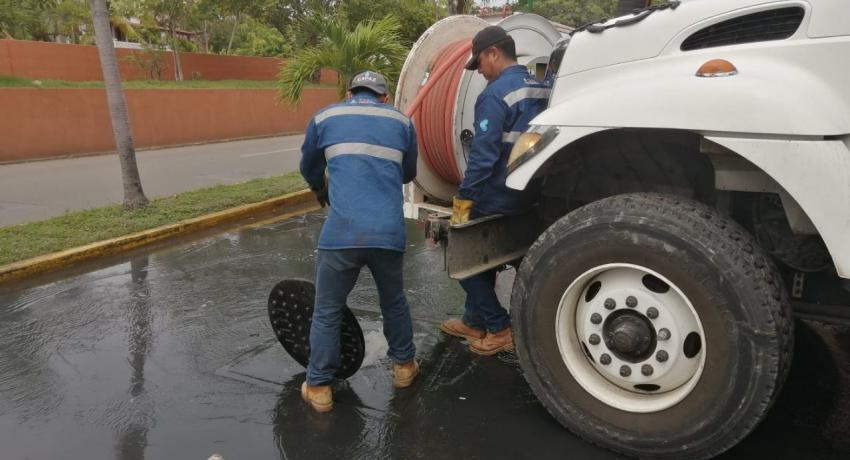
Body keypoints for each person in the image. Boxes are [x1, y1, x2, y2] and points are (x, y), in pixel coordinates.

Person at [299, 70, 420, 413]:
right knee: (393, 301)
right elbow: (408, 173)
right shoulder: (403, 123)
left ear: (350, 92)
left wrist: (322, 187)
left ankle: (319, 387)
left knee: (327, 310)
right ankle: (404, 368)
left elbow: (308, 167)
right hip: (387, 233)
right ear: (384, 96)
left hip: (341, 234)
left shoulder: (324, 117)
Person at [440, 26, 550, 355]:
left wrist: (465, 199)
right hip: (532, 193)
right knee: (493, 258)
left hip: (498, 194)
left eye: (481, 63)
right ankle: (474, 321)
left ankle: (499, 328)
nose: (481, 72)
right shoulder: (541, 87)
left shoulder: (494, 94)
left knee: (462, 260)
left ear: (494, 53)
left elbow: (484, 156)